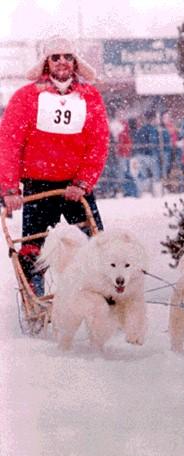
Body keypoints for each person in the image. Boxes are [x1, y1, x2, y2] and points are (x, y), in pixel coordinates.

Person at [0, 36, 109, 295]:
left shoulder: (90, 97)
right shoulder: (26, 97)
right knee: (32, 250)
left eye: (67, 56)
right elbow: (9, 143)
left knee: (98, 246)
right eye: (55, 57)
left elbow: (99, 143)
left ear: (75, 62)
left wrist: (83, 182)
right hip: (38, 185)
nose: (62, 62)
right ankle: (34, 297)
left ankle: (103, 297)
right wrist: (9, 188)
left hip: (76, 188)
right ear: (46, 62)